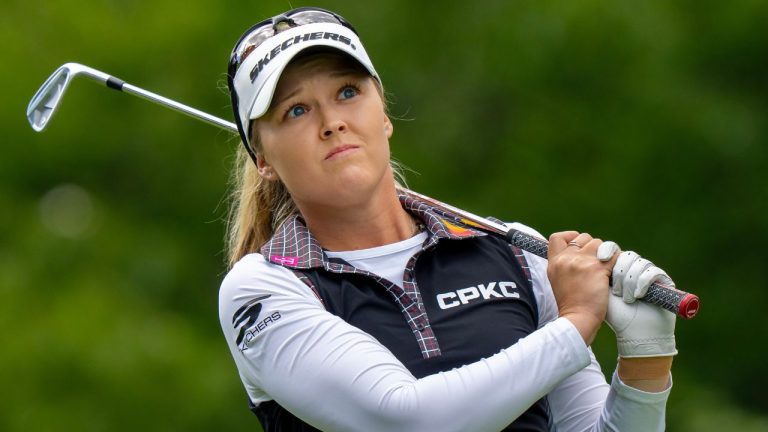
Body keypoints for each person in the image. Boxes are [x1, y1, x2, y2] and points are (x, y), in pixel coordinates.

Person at [219, 7, 678, 431]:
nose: (331, 122)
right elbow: (404, 421)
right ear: (264, 160)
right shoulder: (261, 290)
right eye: (296, 110)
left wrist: (646, 359)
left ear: (384, 115)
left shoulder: (512, 250)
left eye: (347, 92)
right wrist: (577, 321)